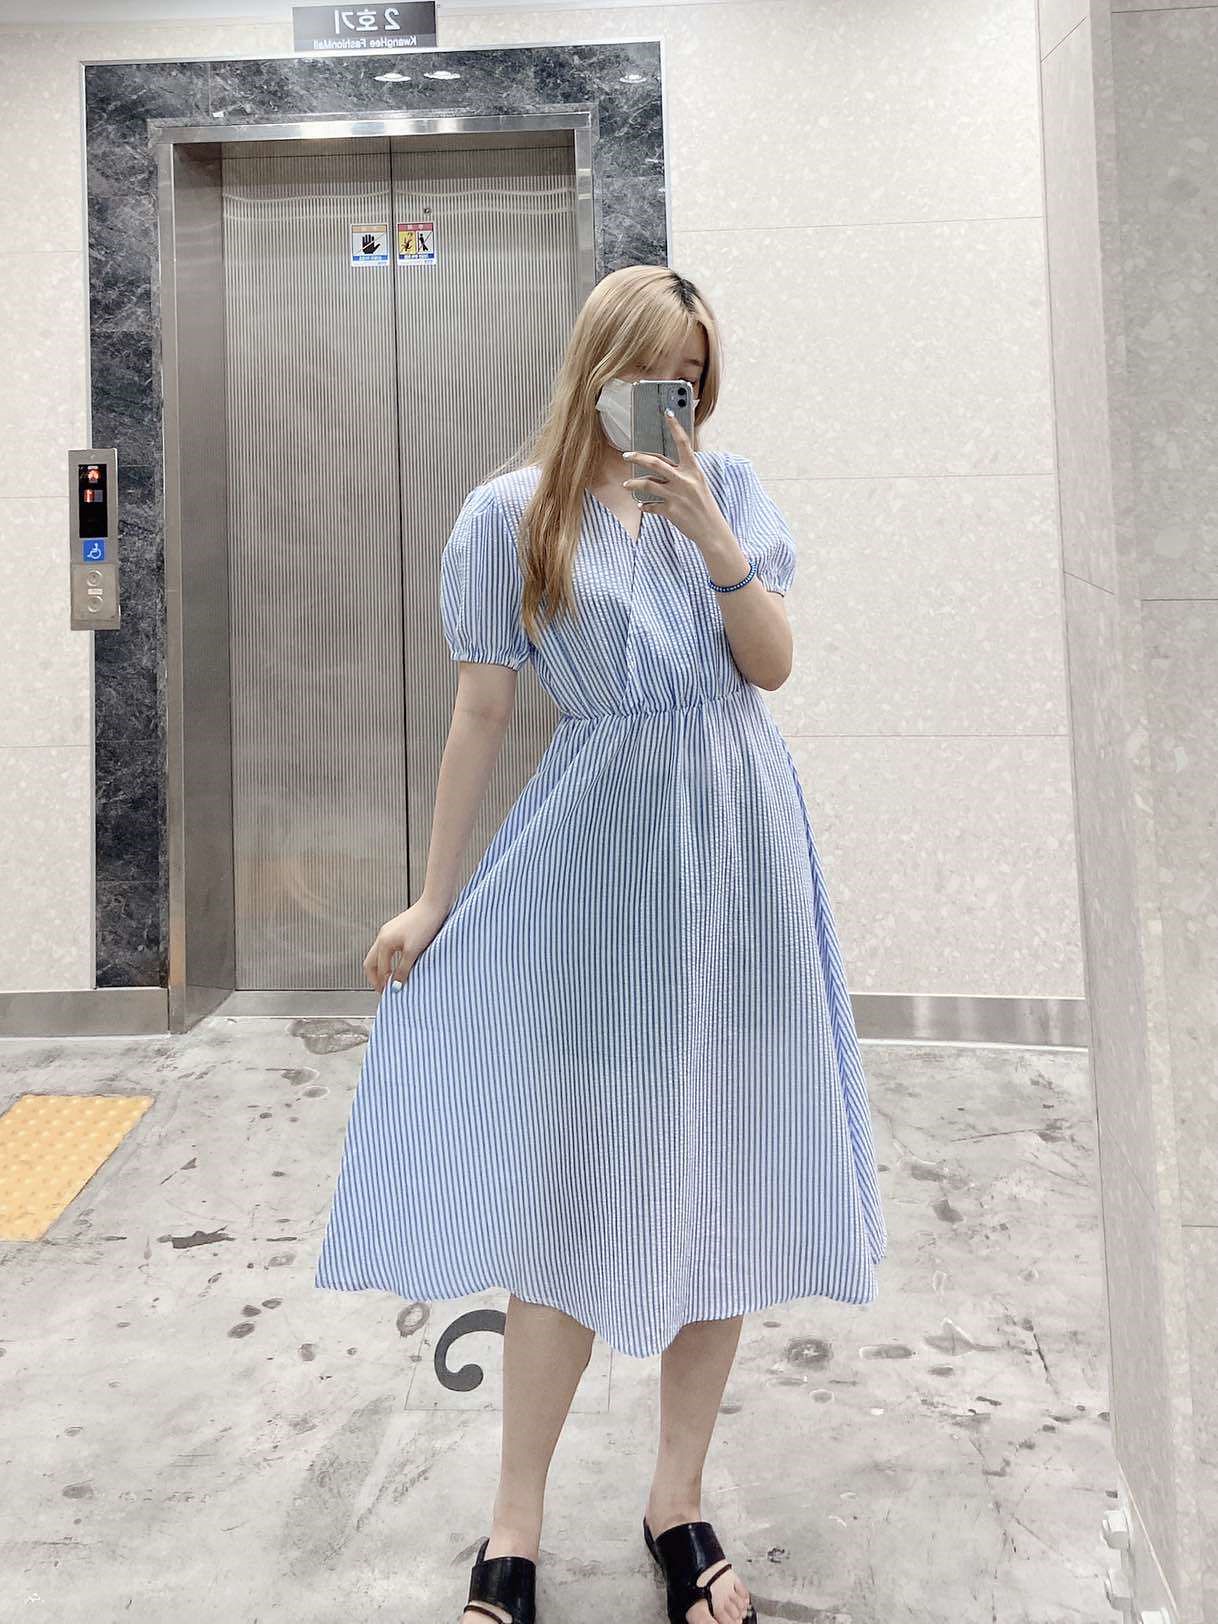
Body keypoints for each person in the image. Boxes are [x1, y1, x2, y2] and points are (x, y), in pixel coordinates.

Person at [314, 264, 887, 1624]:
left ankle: (675, 1502)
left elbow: (771, 667)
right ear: (597, 368)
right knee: (569, 1187)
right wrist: (433, 898)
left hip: (739, 863)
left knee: (724, 1180)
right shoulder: (510, 515)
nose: (672, 399)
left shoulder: (727, 491)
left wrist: (713, 540)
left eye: (692, 377)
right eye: (651, 373)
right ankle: (513, 1525)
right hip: (599, 870)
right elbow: (479, 715)